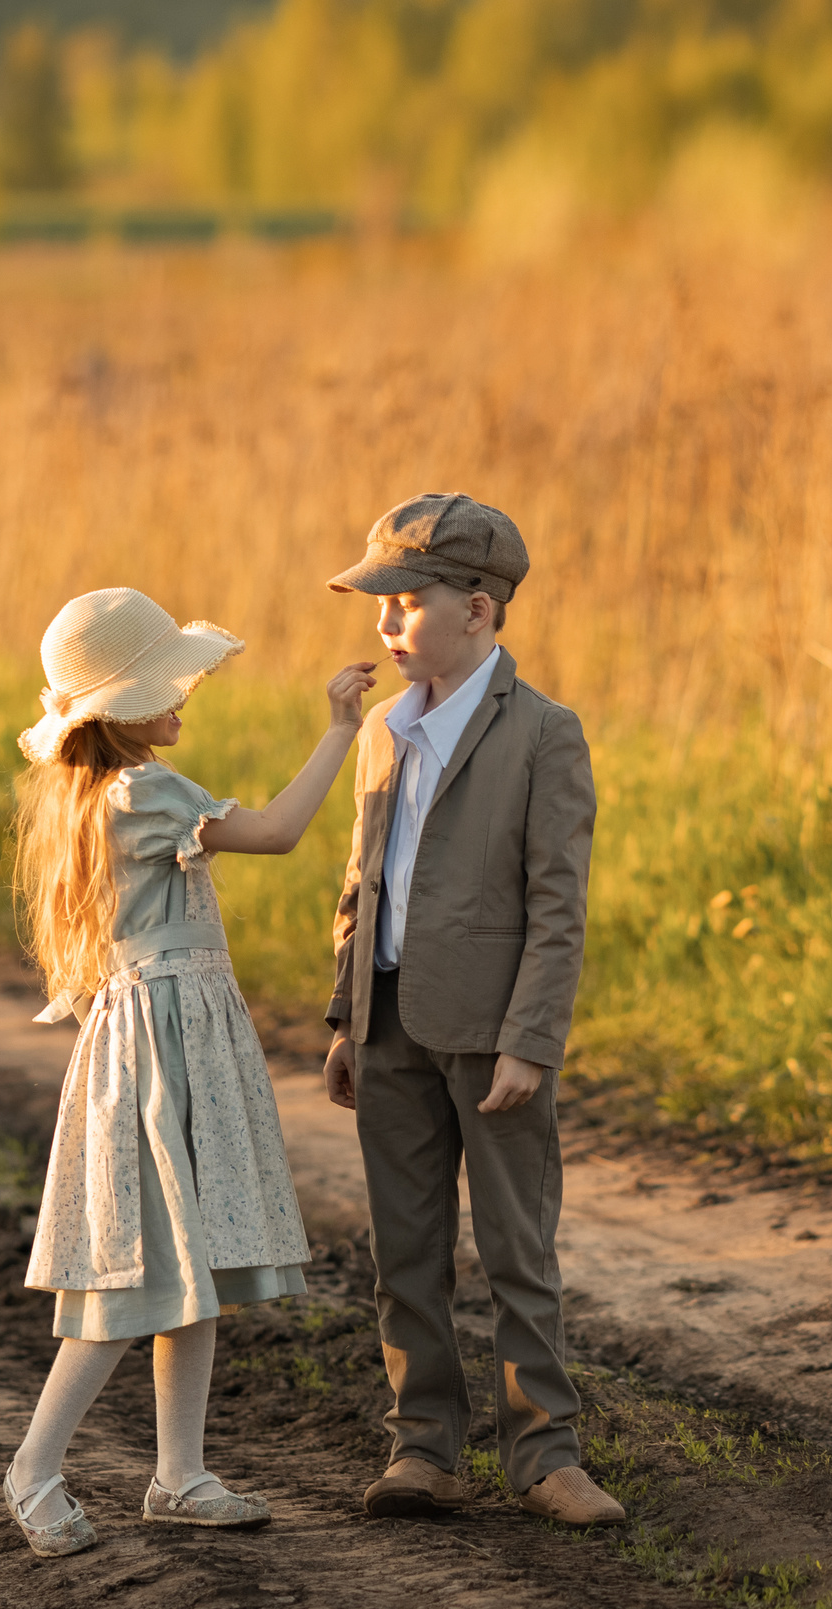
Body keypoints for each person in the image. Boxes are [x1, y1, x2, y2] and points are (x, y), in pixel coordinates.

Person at [2, 586, 376, 1558]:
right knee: (137, 1276)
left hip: (160, 1036)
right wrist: (340, 731)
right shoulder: (143, 791)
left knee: (190, 1263)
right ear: (115, 709)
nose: (186, 695)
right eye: (164, 683)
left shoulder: (97, 796)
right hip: (165, 1045)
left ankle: (179, 1472)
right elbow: (281, 831)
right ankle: (34, 1466)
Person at [322, 493, 626, 1527]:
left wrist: (531, 1041)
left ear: (480, 611)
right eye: (380, 604)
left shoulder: (543, 735)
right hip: (391, 1022)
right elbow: (359, 883)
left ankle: (545, 1452)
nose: (386, 623)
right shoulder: (379, 728)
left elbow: (558, 902)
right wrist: (342, 1017)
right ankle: (423, 1448)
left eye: (406, 602)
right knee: (402, 1249)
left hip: (492, 1036)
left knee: (514, 1249)